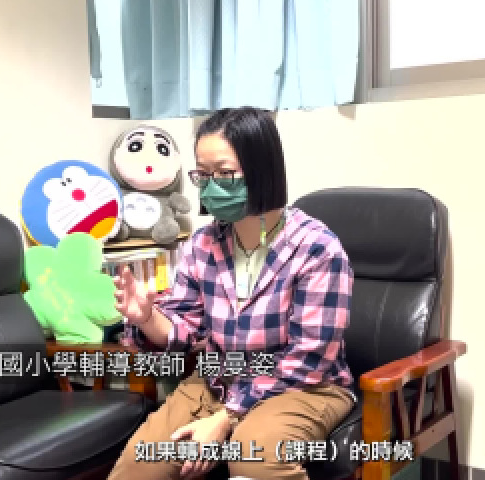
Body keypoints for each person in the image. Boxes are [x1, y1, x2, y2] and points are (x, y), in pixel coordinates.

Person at [108, 107, 355, 480]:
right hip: (218, 379)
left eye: (224, 173)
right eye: (203, 175)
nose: (211, 186)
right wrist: (147, 318)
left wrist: (225, 419)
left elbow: (308, 359)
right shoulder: (202, 244)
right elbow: (184, 329)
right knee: (140, 466)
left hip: (304, 387)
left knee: (253, 457)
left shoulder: (317, 249)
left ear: (261, 170)